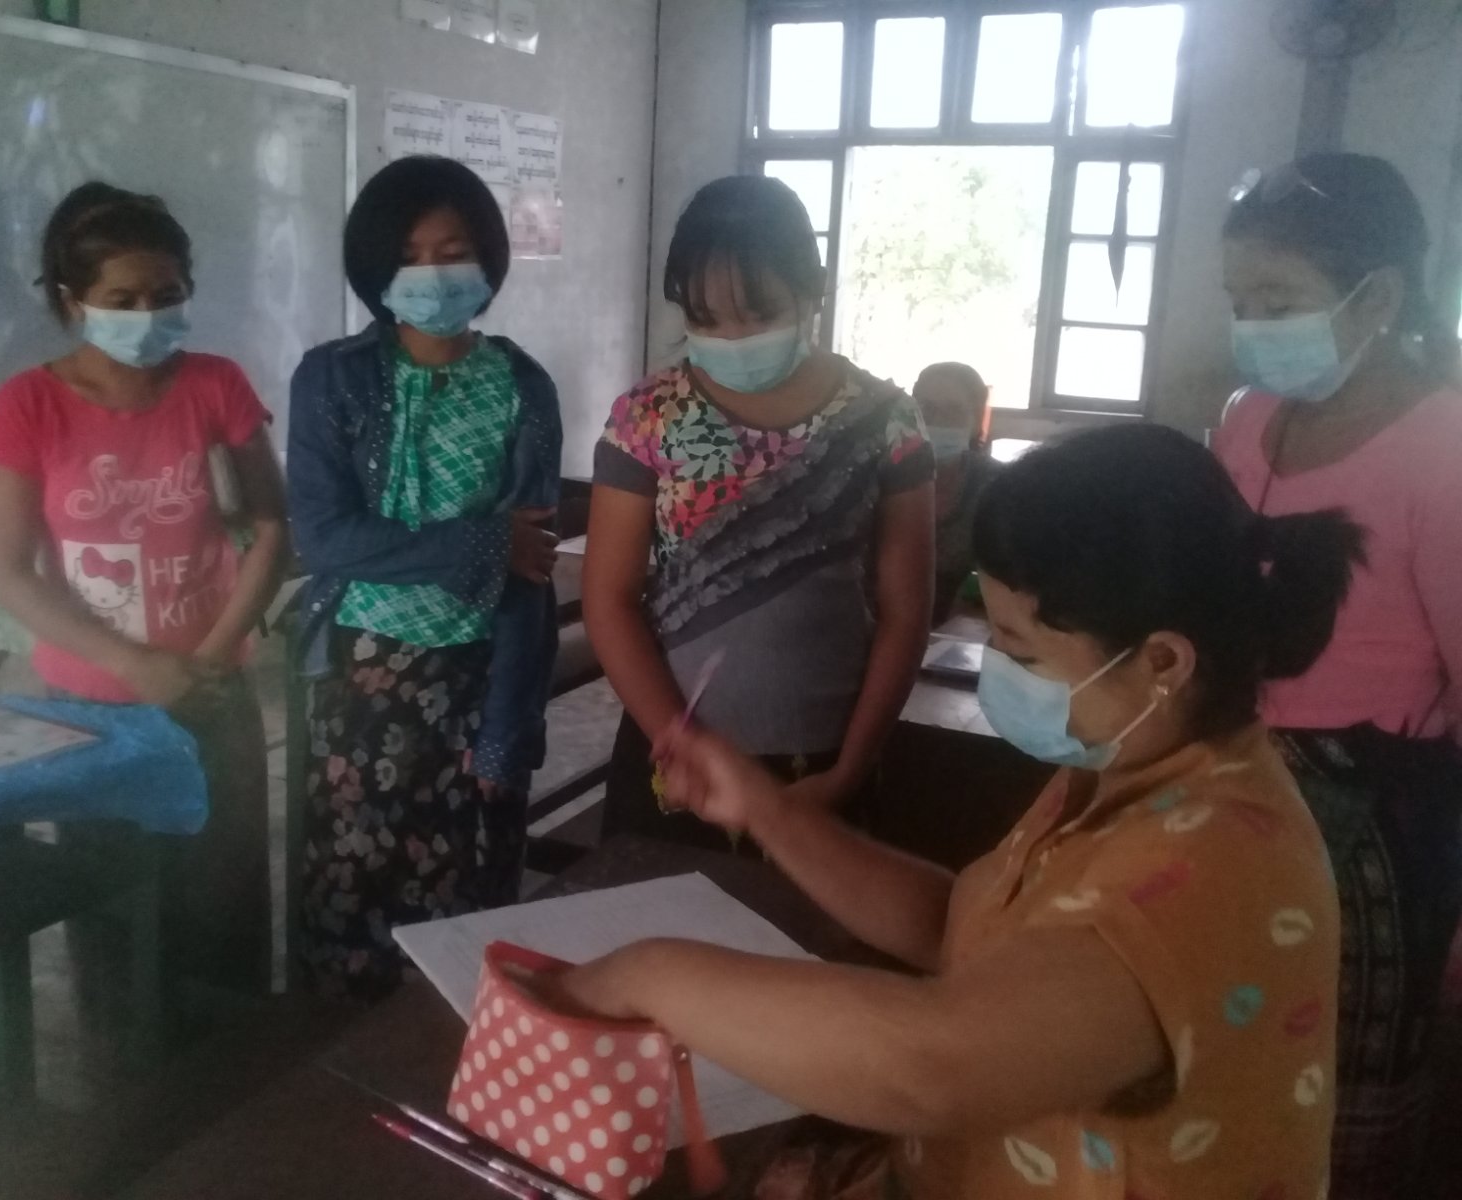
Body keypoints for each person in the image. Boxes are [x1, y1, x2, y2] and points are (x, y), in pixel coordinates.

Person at [535, 425, 1357, 1200]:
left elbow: (932, 1068)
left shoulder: (1219, 864)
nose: (997, 667)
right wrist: (767, 809)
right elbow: (958, 927)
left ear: (1163, 662)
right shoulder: (1121, 772)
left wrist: (653, 976)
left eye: (1020, 650)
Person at [1213, 152, 1462, 1198]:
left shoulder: (1444, 451)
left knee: (1330, 1114)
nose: (1252, 325)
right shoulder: (1247, 419)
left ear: (1380, 298)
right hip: (1231, 790)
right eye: (1239, 302)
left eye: (1278, 302)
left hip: (1372, 837)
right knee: (1218, 1078)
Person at [0, 181, 288, 995]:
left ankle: (237, 1060)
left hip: (213, 690)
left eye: (167, 295)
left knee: (224, 899)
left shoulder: (216, 385)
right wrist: (134, 666)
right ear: (72, 302)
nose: (148, 315)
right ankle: (127, 1063)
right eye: (123, 300)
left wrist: (209, 659)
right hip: (93, 711)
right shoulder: (27, 406)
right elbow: (6, 569)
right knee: (114, 906)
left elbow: (272, 529)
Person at [586, 175, 934, 850]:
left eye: (759, 313)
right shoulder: (646, 418)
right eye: (705, 320)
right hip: (680, 758)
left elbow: (905, 613)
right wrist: (679, 740)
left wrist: (850, 768)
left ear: (814, 290)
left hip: (825, 760)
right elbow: (610, 599)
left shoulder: (886, 421)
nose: (734, 338)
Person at [288, 156, 562, 1001]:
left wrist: (509, 720)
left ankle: (463, 1059)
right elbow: (324, 539)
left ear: (488, 260)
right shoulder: (331, 378)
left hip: (482, 673)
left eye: (454, 251)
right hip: (362, 676)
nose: (434, 274)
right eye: (410, 256)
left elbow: (530, 568)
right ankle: (338, 1061)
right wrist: (481, 543)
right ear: (376, 269)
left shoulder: (522, 386)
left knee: (471, 903)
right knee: (353, 889)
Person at [913, 362, 1003, 627]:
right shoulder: (873, 477)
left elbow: (1002, 583)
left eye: (953, 411)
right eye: (926, 409)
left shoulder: (997, 487)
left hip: (958, 632)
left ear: (976, 421)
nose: (936, 421)